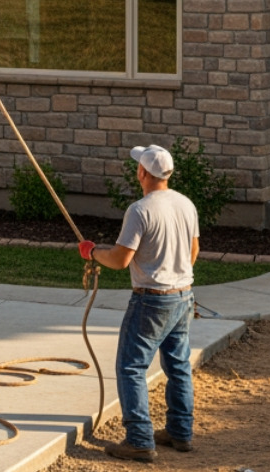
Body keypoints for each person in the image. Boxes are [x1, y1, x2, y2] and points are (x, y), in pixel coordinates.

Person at [79, 143, 199, 462]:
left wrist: (91, 252)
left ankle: (139, 440)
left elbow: (120, 259)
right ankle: (180, 432)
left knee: (130, 367)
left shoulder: (140, 210)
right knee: (178, 365)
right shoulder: (185, 204)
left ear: (142, 172)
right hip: (183, 295)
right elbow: (193, 251)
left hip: (152, 300)